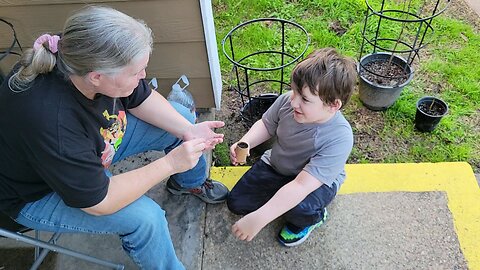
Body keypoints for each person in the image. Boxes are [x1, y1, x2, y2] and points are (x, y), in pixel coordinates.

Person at [0, 5, 228, 269]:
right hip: (37, 194)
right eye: (136, 72)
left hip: (87, 154)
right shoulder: (52, 122)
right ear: (97, 77)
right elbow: (100, 201)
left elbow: (140, 96)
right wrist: (170, 164)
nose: (144, 76)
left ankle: (189, 182)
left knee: (181, 121)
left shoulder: (79, 53)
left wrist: (188, 132)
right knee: (147, 219)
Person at [227, 48, 356, 247]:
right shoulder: (288, 101)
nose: (293, 100)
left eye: (304, 98)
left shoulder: (340, 137)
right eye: (294, 90)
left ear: (333, 105)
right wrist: (246, 142)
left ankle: (314, 218)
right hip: (278, 165)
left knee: (300, 209)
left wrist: (260, 218)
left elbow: (301, 186)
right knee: (236, 202)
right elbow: (266, 124)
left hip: (315, 182)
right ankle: (281, 199)